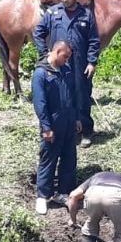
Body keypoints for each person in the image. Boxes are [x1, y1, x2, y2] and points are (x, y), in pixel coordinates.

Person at [33, 0, 100, 148]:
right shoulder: (53, 13)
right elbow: (38, 33)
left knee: (82, 96)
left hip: (80, 64)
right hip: (59, 66)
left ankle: (85, 131)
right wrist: (44, 53)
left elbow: (94, 40)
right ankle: (64, 130)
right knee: (60, 97)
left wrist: (92, 61)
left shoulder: (86, 15)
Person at [32, 40, 81, 215]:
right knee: (48, 159)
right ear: (57, 51)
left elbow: (72, 96)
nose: (67, 60)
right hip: (52, 124)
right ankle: (42, 196)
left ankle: (63, 192)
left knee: (69, 159)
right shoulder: (41, 74)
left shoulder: (66, 70)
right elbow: (40, 103)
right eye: (65, 56)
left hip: (68, 122)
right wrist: (46, 127)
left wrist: (76, 118)